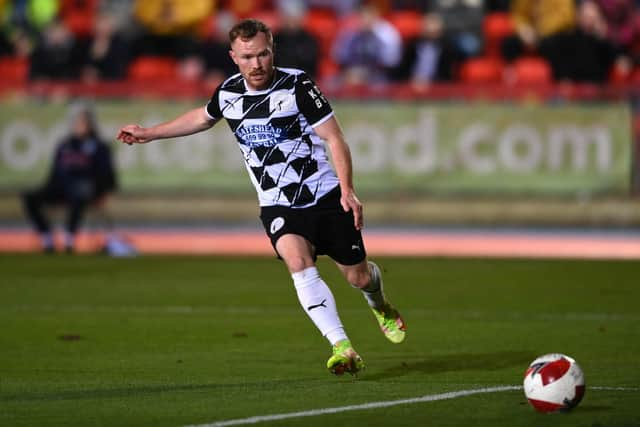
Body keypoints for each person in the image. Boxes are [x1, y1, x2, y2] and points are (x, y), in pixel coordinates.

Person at [117, 18, 406, 376]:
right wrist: (149, 133)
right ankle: (341, 346)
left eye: (263, 54)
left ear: (273, 51)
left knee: (358, 278)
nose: (256, 64)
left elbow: (335, 138)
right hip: (277, 204)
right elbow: (203, 118)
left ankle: (379, 304)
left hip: (325, 196)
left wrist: (347, 190)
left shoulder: (297, 84)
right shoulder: (228, 93)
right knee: (299, 265)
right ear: (233, 57)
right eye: (247, 56)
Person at [22, 103, 118, 253]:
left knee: (79, 193)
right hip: (61, 187)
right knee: (30, 197)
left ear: (90, 124)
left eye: (83, 122)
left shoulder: (99, 146)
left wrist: (103, 191)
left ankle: (69, 239)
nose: (79, 126)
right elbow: (54, 173)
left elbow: (107, 174)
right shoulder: (64, 145)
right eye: (77, 122)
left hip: (86, 189)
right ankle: (47, 238)